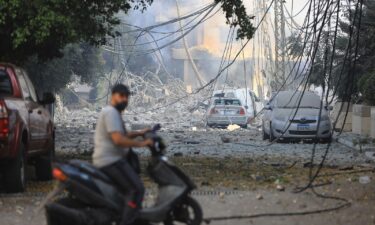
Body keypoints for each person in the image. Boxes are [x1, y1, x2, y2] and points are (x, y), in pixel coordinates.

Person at [92, 84, 153, 225]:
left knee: (126, 191)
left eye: (126, 96)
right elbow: (118, 140)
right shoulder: (110, 113)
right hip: (110, 161)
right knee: (137, 189)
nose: (124, 99)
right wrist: (142, 144)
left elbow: (123, 134)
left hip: (113, 159)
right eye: (121, 96)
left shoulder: (114, 113)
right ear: (113, 96)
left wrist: (140, 133)